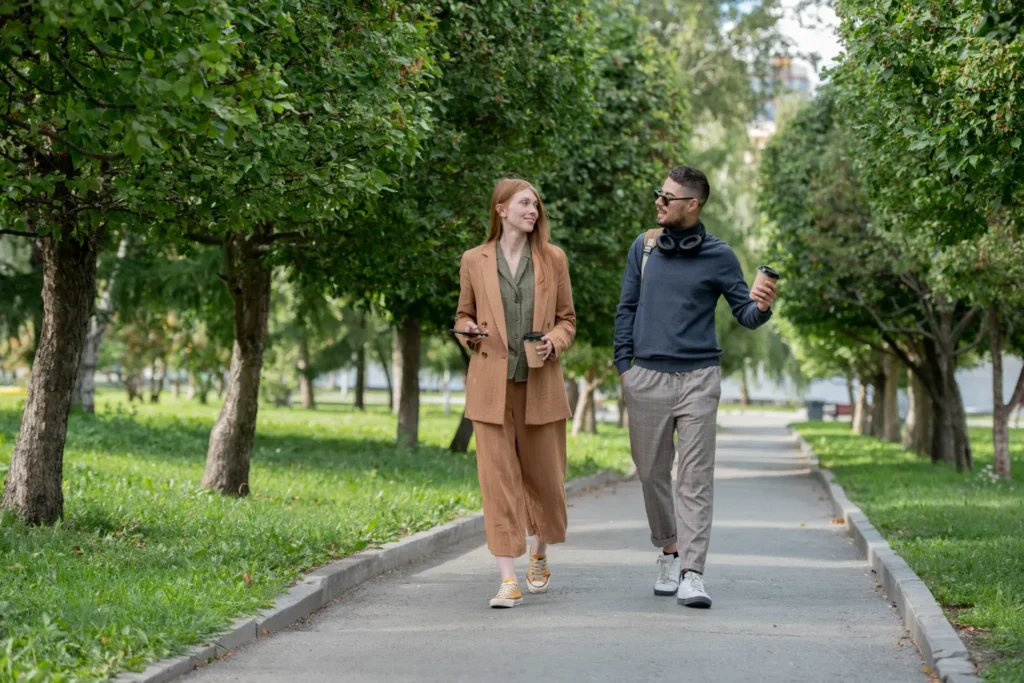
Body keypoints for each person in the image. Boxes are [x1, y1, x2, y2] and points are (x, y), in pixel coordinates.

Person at [613, 166, 778, 608]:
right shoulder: (644, 248)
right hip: (645, 377)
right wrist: (624, 369)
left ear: (693, 204)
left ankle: (691, 572)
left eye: (668, 197)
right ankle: (668, 551)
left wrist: (761, 306)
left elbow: (745, 314)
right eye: (659, 194)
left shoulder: (720, 256)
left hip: (699, 378)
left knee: (695, 477)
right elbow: (626, 308)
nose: (659, 202)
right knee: (650, 473)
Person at [454, 176, 576, 608]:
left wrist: (554, 341)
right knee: (497, 483)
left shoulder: (552, 259)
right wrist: (467, 330)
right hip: (491, 387)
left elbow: (567, 320)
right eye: (524, 203)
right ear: (501, 209)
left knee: (547, 481)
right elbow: (464, 314)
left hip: (540, 384)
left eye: (536, 205)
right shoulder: (473, 259)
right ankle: (507, 580)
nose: (533, 211)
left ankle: (539, 552)